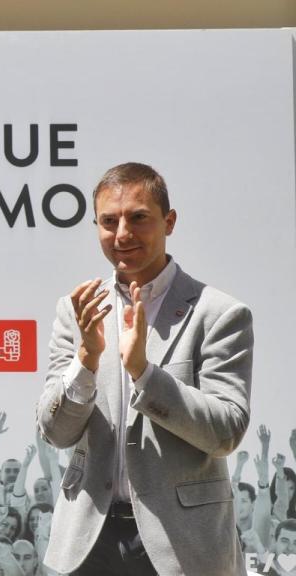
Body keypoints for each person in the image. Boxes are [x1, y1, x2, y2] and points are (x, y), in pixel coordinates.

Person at [37, 163, 254, 576]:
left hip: (182, 546)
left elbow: (225, 431)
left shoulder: (219, 314)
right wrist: (85, 361)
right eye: (108, 221)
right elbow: (56, 432)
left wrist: (144, 373)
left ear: (168, 222)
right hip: (87, 541)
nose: (122, 234)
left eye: (139, 217)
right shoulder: (78, 310)